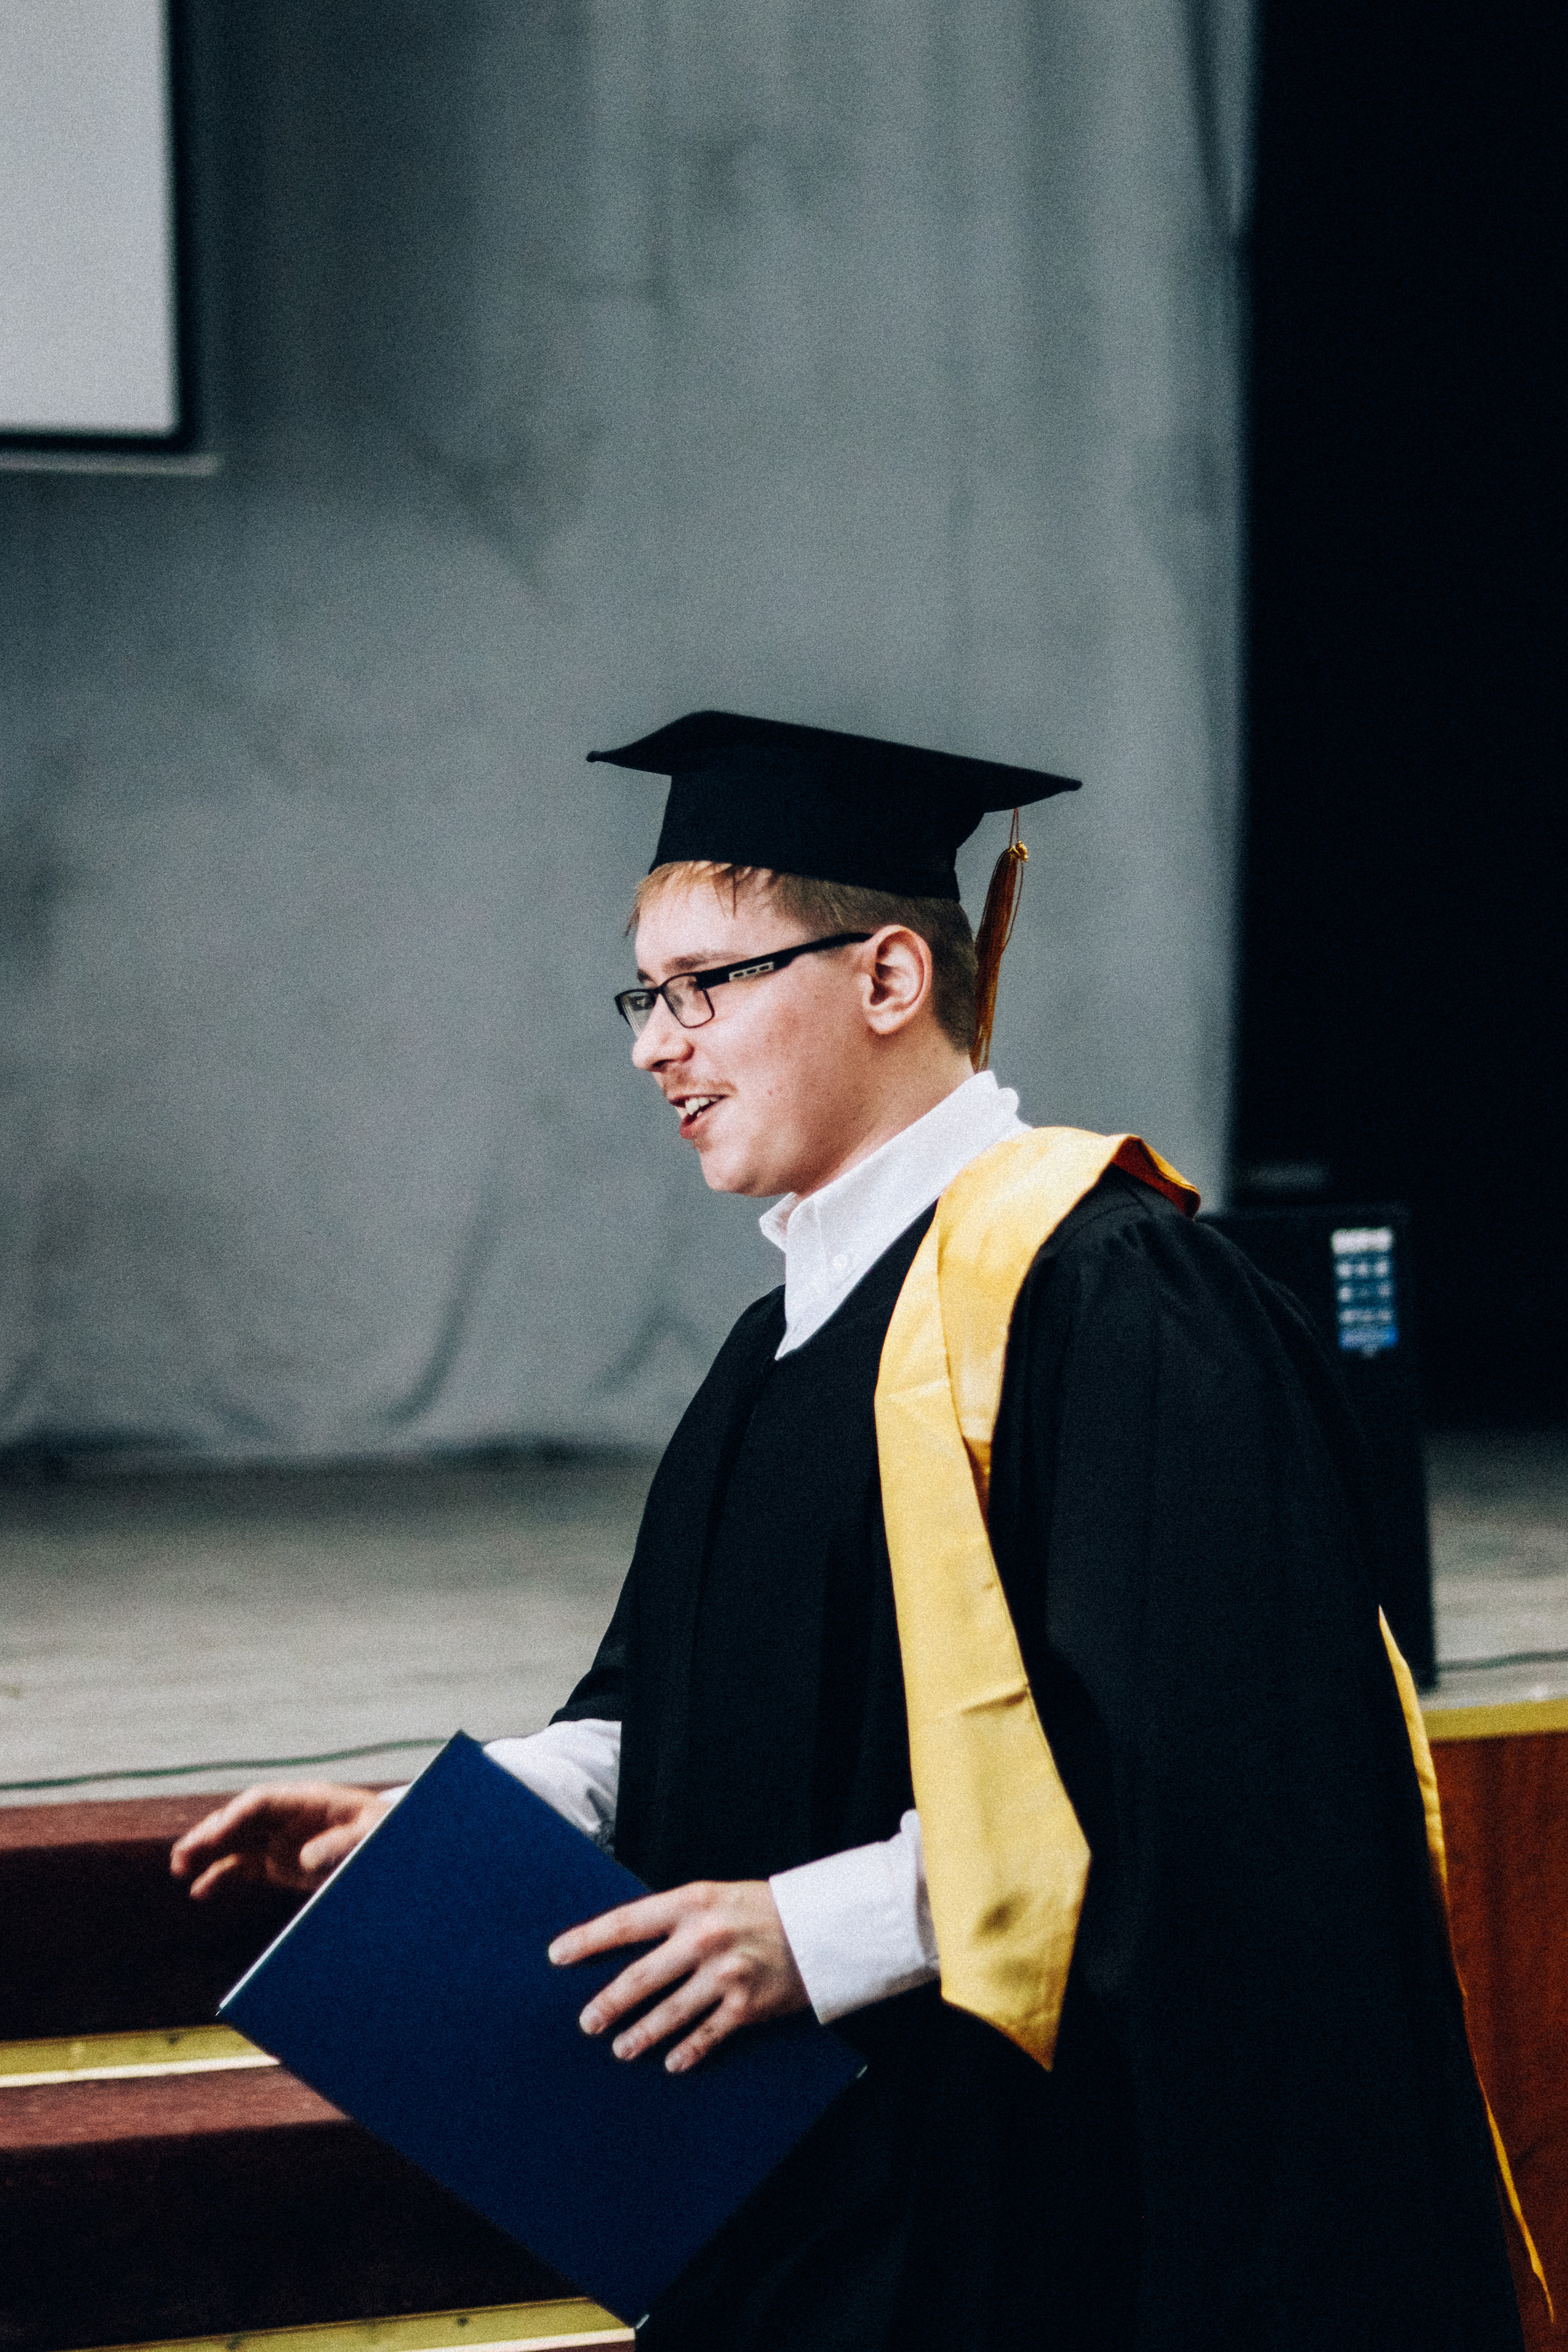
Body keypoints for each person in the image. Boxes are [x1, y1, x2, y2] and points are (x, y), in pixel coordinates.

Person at [174, 712, 1528, 2351]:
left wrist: (813, 1934)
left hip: (1027, 2214)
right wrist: (456, 1824)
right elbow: (674, 1709)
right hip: (800, 2199)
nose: (654, 1048)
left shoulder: (1105, 1292)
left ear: (891, 977)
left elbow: (1216, 1790)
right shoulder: (782, 1341)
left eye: (704, 985)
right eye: (645, 996)